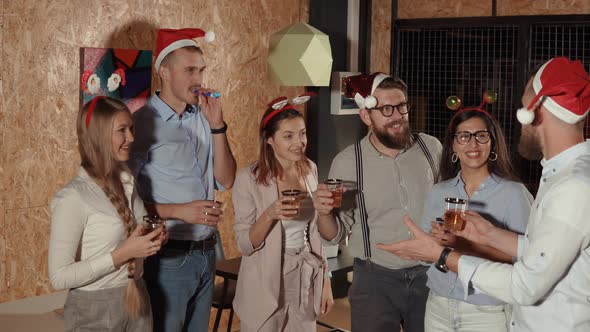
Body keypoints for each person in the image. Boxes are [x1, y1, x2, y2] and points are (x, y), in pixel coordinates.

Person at [377, 57, 590, 332]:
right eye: (463, 137)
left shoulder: (573, 186)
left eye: (523, 106)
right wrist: (489, 234)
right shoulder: (563, 175)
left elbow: (526, 285)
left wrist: (443, 255)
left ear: (536, 112)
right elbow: (540, 254)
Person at [313, 73, 443, 332]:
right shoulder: (348, 162)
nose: (397, 116)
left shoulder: (432, 148)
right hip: (376, 280)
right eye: (385, 109)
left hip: (431, 276)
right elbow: (334, 234)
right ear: (365, 116)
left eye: (401, 106)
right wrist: (324, 213)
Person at [129, 28, 237, 332]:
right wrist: (179, 211)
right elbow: (126, 201)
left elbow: (226, 180)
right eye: (189, 70)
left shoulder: (203, 117)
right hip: (167, 258)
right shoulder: (140, 124)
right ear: (164, 71)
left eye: (201, 70)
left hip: (206, 253)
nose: (198, 78)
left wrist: (218, 127)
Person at [49, 96, 166, 331]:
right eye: (122, 130)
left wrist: (153, 240)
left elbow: (134, 238)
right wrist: (121, 254)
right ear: (99, 136)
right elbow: (59, 277)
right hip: (93, 310)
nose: (131, 138)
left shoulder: (128, 182)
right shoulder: (73, 197)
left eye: (131, 129)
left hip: (138, 297)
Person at [420, 95, 533, 331]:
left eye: (481, 136)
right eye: (464, 136)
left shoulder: (513, 193)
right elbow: (425, 252)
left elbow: (526, 259)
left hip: (486, 311)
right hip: (438, 305)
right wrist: (432, 242)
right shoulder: (439, 191)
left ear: (492, 142)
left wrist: (458, 247)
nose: (473, 145)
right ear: (453, 144)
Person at [232, 95, 335, 332]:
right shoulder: (249, 179)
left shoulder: (310, 169)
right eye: (288, 136)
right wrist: (270, 213)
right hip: (266, 280)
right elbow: (245, 245)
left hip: (306, 276)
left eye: (302, 133)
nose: (299, 142)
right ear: (269, 139)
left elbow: (316, 233)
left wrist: (325, 281)